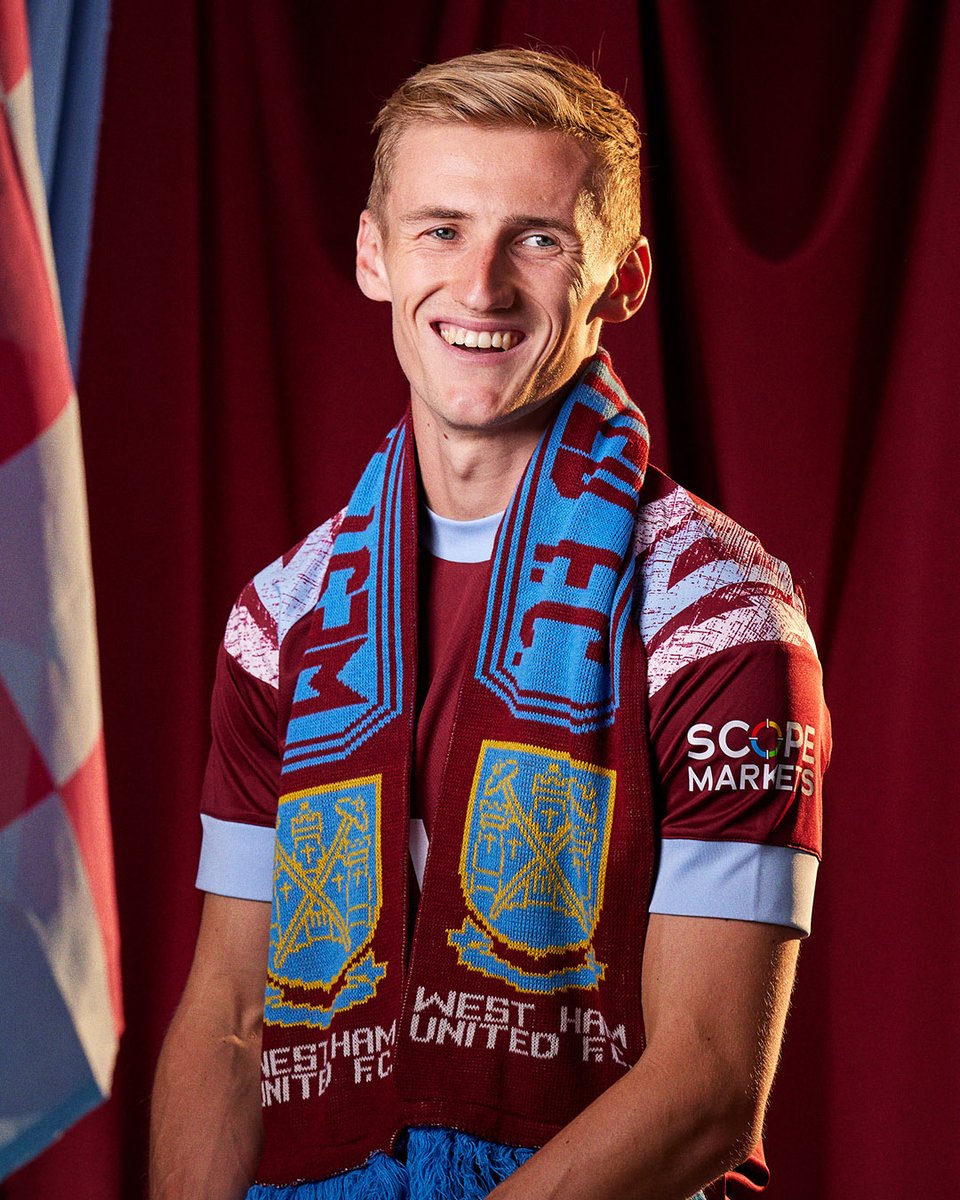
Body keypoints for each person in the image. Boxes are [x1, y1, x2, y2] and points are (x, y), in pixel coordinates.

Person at [150, 48, 829, 1200]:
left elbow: (712, 1080)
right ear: (373, 255)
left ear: (624, 276)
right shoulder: (282, 618)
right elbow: (230, 1015)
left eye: (540, 238)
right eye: (440, 230)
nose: (481, 288)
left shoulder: (718, 614)